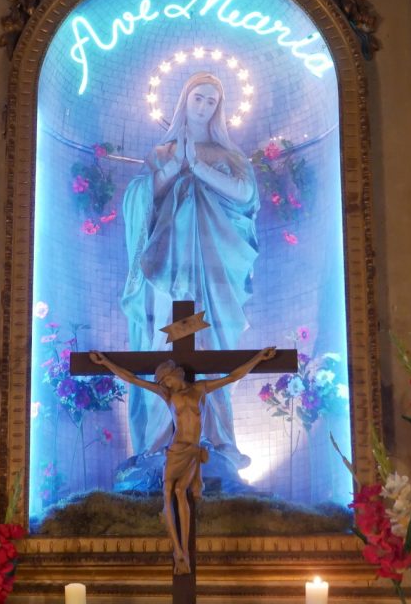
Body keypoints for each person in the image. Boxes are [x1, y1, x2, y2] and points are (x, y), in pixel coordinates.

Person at [119, 72, 260, 493]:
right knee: (167, 346)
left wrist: (197, 167)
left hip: (213, 276)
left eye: (211, 101)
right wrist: (175, 166)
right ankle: (157, 448)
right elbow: (141, 200)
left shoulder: (230, 155)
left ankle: (216, 446)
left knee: (210, 347)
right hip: (169, 276)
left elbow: (245, 195)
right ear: (185, 100)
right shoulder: (162, 152)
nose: (203, 106)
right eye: (198, 98)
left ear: (220, 108)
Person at [89, 347, 277, 574]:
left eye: (165, 379)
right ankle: (177, 551)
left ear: (175, 374)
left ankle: (184, 551)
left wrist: (258, 358)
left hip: (192, 451)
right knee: (168, 492)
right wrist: (105, 362)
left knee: (180, 492)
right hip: (175, 450)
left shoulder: (200, 389)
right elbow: (132, 379)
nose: (165, 384)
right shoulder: (167, 394)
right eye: (162, 382)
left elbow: (232, 377)